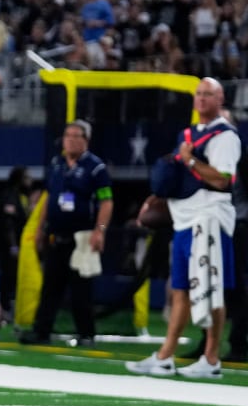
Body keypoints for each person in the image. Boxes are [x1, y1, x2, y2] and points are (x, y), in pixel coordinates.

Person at [128, 78, 240, 378]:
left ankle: (211, 358)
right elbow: (179, 174)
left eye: (209, 94)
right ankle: (165, 355)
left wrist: (191, 161)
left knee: (211, 289)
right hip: (184, 219)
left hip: (210, 220)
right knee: (179, 290)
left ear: (220, 99)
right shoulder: (188, 133)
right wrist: (155, 198)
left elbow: (223, 180)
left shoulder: (226, 136)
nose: (202, 99)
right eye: (199, 94)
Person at [22, 121, 112, 346]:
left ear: (86, 140)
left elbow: (106, 202)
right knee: (50, 286)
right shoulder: (56, 164)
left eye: (76, 136)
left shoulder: (96, 168)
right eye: (67, 135)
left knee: (81, 289)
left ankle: (86, 334)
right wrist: (41, 228)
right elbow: (48, 199)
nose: (70, 140)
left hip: (82, 237)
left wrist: (100, 231)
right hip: (56, 235)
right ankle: (41, 331)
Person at [0, 166, 32, 320]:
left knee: (14, 276)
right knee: (8, 275)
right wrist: (13, 246)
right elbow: (8, 224)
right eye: (27, 178)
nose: (30, 181)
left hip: (18, 244)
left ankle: (13, 308)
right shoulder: (9, 196)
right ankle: (5, 309)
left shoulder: (22, 197)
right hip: (8, 245)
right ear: (19, 179)